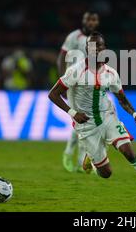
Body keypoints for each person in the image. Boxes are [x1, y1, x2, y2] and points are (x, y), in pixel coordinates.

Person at [48, 32, 136, 202]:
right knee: (106, 173)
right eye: (92, 46)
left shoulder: (111, 73)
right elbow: (53, 94)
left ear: (105, 49)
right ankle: (92, 157)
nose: (96, 49)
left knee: (129, 152)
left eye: (100, 46)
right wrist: (73, 113)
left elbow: (122, 99)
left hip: (108, 117)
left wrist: (135, 114)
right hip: (86, 124)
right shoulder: (75, 71)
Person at [57, 11, 101, 173]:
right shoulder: (74, 37)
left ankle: (79, 157)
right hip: (73, 82)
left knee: (86, 121)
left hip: (88, 83)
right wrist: (62, 80)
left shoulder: (97, 39)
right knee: (81, 120)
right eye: (88, 19)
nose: (91, 22)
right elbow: (61, 58)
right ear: (83, 20)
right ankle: (70, 154)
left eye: (94, 20)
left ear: (97, 22)